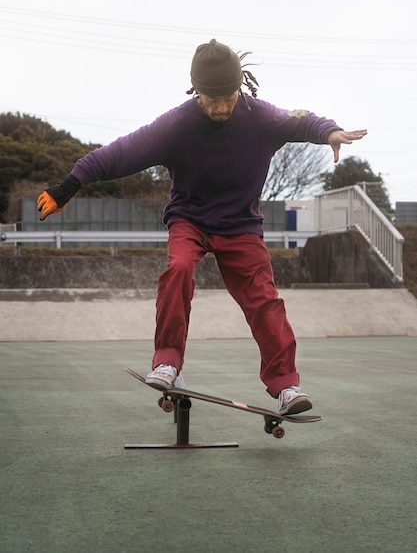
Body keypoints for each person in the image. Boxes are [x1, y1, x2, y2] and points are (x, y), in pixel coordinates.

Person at [37, 39, 366, 415]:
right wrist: (68, 186)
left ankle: (286, 386)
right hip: (190, 220)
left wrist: (329, 132)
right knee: (177, 270)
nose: (222, 107)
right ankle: (168, 363)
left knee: (264, 300)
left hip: (241, 225)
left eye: (228, 97)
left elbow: (303, 118)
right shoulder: (177, 125)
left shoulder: (260, 116)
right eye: (213, 100)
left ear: (239, 88)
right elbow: (121, 152)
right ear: (197, 91)